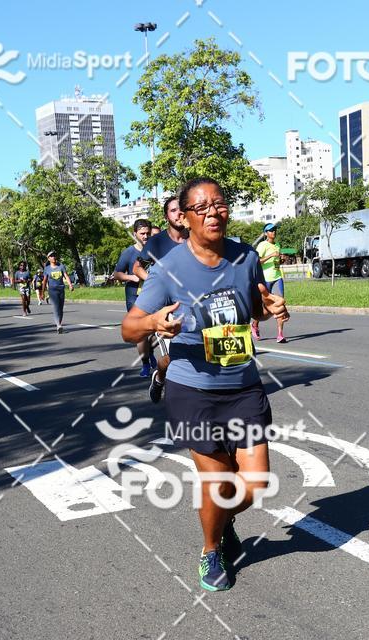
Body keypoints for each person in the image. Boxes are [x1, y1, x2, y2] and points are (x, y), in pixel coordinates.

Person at [122, 177, 289, 592]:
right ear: (186, 218)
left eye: (220, 204)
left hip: (243, 384)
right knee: (217, 481)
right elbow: (128, 328)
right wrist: (153, 321)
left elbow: (254, 308)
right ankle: (211, 549)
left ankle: (224, 514)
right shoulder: (169, 270)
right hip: (192, 388)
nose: (213, 212)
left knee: (255, 483)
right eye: (202, 207)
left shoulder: (246, 257)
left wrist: (270, 308)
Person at [132, 196, 188, 401]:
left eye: (182, 209)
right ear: (167, 216)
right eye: (173, 210)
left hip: (194, 306)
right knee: (172, 359)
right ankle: (160, 377)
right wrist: (156, 281)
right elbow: (137, 268)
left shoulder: (196, 238)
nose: (179, 213)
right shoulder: (157, 242)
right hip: (167, 310)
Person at [114, 218, 154, 375]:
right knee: (142, 332)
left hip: (153, 296)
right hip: (135, 298)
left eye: (148, 233)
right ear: (135, 234)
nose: (145, 236)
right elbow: (117, 274)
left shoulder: (154, 250)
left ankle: (149, 355)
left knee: (152, 332)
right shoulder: (129, 253)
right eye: (142, 233)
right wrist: (132, 277)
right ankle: (145, 364)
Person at [251, 224, 286, 343]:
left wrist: (280, 260)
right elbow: (256, 262)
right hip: (265, 279)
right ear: (266, 233)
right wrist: (271, 255)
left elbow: (276, 263)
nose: (273, 232)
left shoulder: (277, 245)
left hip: (277, 277)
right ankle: (255, 324)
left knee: (279, 304)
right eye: (270, 230)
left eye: (274, 230)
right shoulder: (262, 245)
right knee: (264, 306)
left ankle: (280, 334)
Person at [42, 251, 73, 333]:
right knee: (56, 307)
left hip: (61, 289)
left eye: (55, 255)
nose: (54, 257)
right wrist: (43, 292)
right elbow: (44, 281)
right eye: (51, 256)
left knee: (60, 308)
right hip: (52, 290)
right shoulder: (47, 269)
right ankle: (58, 325)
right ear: (48, 258)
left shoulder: (61, 266)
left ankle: (59, 323)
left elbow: (66, 275)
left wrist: (70, 285)